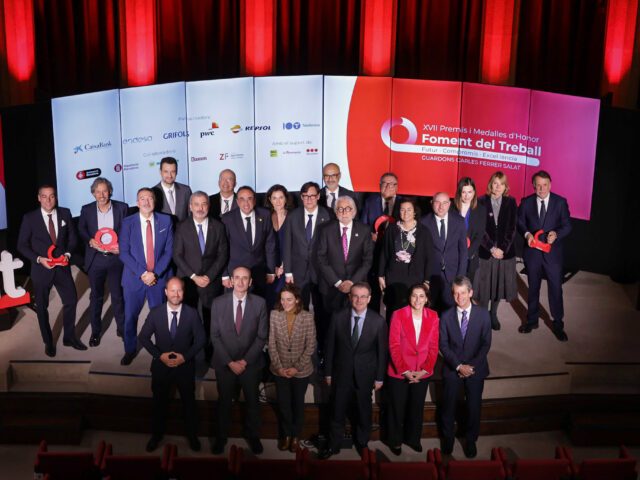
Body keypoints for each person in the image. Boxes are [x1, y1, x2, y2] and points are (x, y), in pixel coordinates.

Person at [319, 282, 387, 459]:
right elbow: (330, 347)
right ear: (349, 297)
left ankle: (362, 444)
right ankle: (333, 446)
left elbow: (382, 352)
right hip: (341, 374)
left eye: (363, 296)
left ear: (370, 298)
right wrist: (327, 373)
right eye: (355, 296)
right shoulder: (338, 317)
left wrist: (379, 378)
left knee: (364, 413)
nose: (359, 300)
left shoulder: (378, 321)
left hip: (365, 376)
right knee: (337, 412)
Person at [138, 277, 206, 453]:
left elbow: (201, 339)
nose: (176, 294)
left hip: (184, 367)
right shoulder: (155, 313)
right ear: (166, 292)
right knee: (159, 404)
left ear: (183, 293)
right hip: (162, 366)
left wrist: (185, 357)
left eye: (179, 290)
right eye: (172, 290)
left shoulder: (191, 313)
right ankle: (156, 436)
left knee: (189, 404)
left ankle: (192, 436)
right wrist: (159, 355)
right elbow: (143, 337)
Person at [17, 185, 85, 356]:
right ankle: (48, 341)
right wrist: (39, 259)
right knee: (42, 307)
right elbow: (22, 245)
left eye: (52, 196)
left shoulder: (65, 213)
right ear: (39, 198)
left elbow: (73, 238)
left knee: (71, 300)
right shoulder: (30, 218)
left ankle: (69, 337)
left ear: (56, 197)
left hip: (62, 267)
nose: (48, 200)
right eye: (44, 196)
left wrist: (68, 254)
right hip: (41, 270)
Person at [210, 266, 268, 455]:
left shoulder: (260, 304)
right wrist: (230, 362)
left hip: (250, 364)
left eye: (245, 278)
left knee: (252, 402)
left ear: (250, 282)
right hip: (225, 363)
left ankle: (253, 436)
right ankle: (221, 438)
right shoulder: (218, 303)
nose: (241, 282)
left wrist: (244, 362)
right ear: (231, 281)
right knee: (224, 402)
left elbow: (261, 337)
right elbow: (215, 336)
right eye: (237, 278)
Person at [119, 188, 174, 365]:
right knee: (130, 317)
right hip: (134, 278)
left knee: (159, 318)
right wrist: (144, 274)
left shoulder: (166, 220)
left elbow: (169, 251)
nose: (146, 202)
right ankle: (129, 349)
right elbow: (124, 253)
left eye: (150, 198)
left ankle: (160, 351)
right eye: (142, 199)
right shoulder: (128, 223)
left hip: (158, 279)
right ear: (137, 202)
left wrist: (155, 273)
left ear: (154, 201)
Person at [439, 276, 491, 458]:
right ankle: (448, 438)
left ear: (470, 293)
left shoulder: (484, 314)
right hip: (453, 367)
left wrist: (470, 367)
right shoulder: (445, 316)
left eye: (463, 292)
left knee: (474, 407)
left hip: (475, 368)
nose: (459, 297)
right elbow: (443, 345)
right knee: (448, 406)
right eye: (456, 293)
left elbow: (485, 344)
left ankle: (471, 440)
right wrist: (459, 366)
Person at [517, 170, 571, 341]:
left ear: (550, 185)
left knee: (555, 288)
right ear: (533, 186)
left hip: (552, 255)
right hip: (533, 254)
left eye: (545, 185)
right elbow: (520, 222)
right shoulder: (526, 203)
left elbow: (567, 225)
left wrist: (556, 234)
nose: (541, 188)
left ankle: (557, 323)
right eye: (538, 185)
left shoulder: (560, 202)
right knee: (533, 288)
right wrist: (527, 235)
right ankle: (532, 320)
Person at [173, 191, 228, 358]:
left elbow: (222, 255)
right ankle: (187, 351)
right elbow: (177, 255)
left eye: (204, 204)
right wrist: (193, 277)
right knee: (187, 317)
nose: (200, 208)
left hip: (211, 282)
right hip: (188, 281)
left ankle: (209, 351)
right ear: (190, 207)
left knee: (210, 319)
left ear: (209, 206)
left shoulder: (218, 226)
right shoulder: (182, 227)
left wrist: (209, 276)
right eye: (196, 204)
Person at [386, 284, 439, 456]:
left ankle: (413, 439)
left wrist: (424, 370)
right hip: (399, 371)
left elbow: (433, 347)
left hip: (422, 372)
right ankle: (395, 441)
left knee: (416, 408)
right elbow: (393, 345)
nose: (418, 300)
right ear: (409, 298)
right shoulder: (399, 315)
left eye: (421, 296)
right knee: (397, 408)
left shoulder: (433, 316)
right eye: (414, 296)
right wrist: (405, 371)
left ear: (427, 299)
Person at [78, 177, 129, 346]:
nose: (102, 195)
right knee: (96, 297)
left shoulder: (122, 208)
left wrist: (121, 245)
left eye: (105, 191)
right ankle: (96, 332)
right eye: (98, 192)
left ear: (110, 191)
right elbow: (82, 229)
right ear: (93, 193)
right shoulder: (86, 210)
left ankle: (122, 329)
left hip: (116, 260)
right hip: (96, 260)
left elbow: (127, 230)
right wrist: (89, 240)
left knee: (118, 296)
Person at [268, 284, 316, 452]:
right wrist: (279, 367)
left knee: (297, 404)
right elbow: (271, 344)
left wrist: (296, 368)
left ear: (297, 300)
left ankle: (296, 435)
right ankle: (286, 435)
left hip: (301, 371)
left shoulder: (307, 317)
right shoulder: (274, 315)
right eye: (282, 299)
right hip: (280, 370)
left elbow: (311, 345)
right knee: (284, 405)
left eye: (289, 299)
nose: (285, 303)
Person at [283, 181, 332, 345]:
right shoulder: (292, 216)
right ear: (301, 197)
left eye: (312, 196)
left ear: (318, 196)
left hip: (321, 272)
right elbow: (287, 244)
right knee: (299, 309)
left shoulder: (329, 215)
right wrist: (288, 272)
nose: (309, 199)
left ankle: (321, 343)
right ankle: (300, 341)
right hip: (298, 272)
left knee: (321, 310)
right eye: (305, 196)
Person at [378, 198, 434, 322]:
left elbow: (430, 258)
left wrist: (427, 280)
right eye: (402, 209)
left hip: (416, 278)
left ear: (414, 212)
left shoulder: (424, 232)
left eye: (409, 209)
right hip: (394, 277)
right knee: (394, 313)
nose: (405, 213)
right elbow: (384, 253)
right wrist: (381, 275)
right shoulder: (391, 230)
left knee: (412, 313)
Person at [316, 196, 374, 314]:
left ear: (354, 211)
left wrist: (352, 282)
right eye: (340, 209)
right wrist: (337, 282)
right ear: (335, 212)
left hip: (357, 287)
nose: (344, 212)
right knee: (329, 325)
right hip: (331, 286)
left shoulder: (364, 230)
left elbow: (367, 260)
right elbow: (321, 258)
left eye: (348, 208)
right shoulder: (325, 230)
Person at [475, 172, 518, 331]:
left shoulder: (511, 202)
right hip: (486, 252)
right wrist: (492, 248)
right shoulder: (480, 201)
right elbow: (479, 228)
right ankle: (483, 315)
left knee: (498, 285)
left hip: (504, 253)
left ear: (506, 186)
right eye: (495, 183)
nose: (498, 187)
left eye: (501, 184)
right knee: (484, 285)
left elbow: (512, 228)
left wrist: (502, 249)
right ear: (490, 185)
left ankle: (493, 313)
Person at [221, 186, 276, 298]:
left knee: (258, 307)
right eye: (242, 199)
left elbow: (270, 244)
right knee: (235, 310)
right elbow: (222, 249)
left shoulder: (265, 215)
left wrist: (271, 271)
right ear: (237, 201)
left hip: (259, 272)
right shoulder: (227, 219)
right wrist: (225, 275)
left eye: (249, 198)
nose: (246, 203)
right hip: (235, 275)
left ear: (254, 200)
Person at [360, 172, 403, 312]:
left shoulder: (404, 203)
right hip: (374, 253)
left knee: (394, 296)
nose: (388, 186)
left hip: (396, 255)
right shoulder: (369, 202)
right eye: (385, 183)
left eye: (392, 184)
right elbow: (362, 226)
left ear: (397, 187)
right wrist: (369, 235)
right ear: (379, 186)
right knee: (373, 290)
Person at [421, 192, 468, 311]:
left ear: (449, 204)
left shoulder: (459, 221)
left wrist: (460, 277)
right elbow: (421, 253)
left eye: (444, 203)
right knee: (431, 309)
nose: (441, 206)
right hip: (431, 275)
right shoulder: (423, 222)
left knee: (450, 310)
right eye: (437, 202)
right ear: (431, 203)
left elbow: (463, 252)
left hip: (452, 274)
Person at [453, 177, 486, 282]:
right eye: (463, 192)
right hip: (453, 253)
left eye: (470, 192)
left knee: (466, 286)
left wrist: (467, 254)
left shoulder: (481, 210)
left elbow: (479, 235)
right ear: (459, 192)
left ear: (474, 192)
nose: (467, 196)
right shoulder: (451, 208)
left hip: (470, 255)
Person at [264, 184, 291, 309]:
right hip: (269, 267)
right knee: (269, 301)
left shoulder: (293, 216)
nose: (278, 201)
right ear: (270, 200)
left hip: (288, 266)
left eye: (281, 197)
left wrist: (284, 266)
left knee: (285, 304)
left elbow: (296, 244)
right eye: (274, 198)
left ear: (286, 199)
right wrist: (272, 267)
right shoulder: (265, 217)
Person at [152, 157, 192, 222]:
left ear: (177, 172)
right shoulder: (152, 193)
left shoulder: (186, 190)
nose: (169, 175)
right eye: (166, 172)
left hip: (183, 231)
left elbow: (190, 216)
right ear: (160, 172)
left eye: (173, 171)